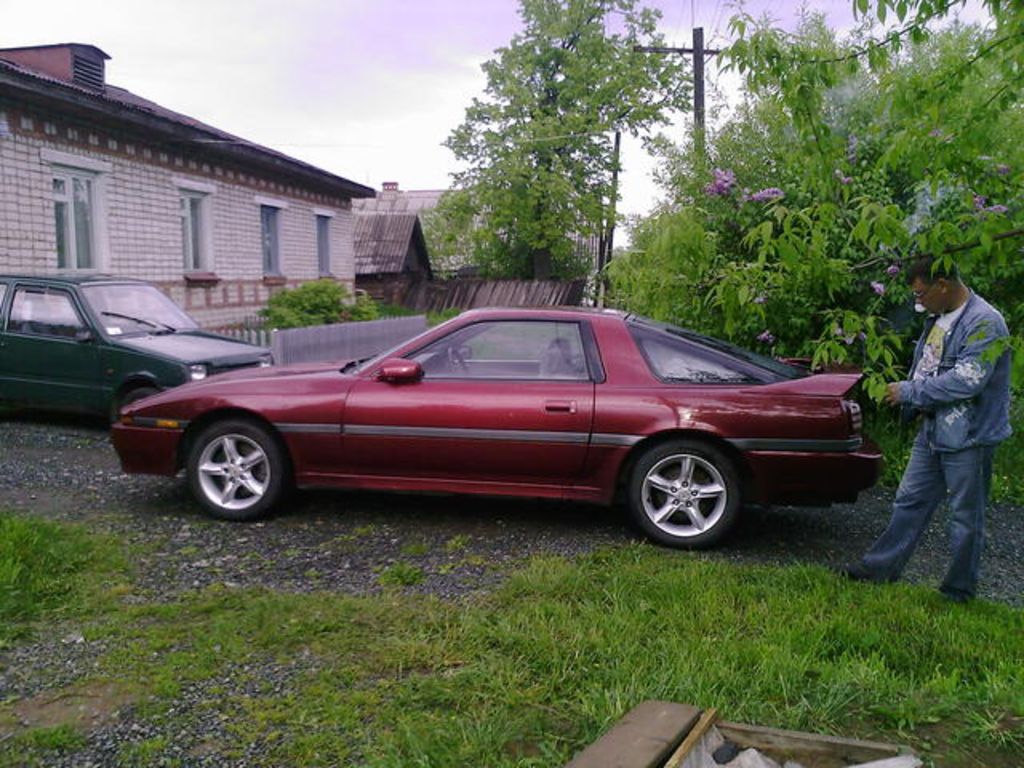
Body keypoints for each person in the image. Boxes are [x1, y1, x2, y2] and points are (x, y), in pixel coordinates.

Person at [843, 255, 1012, 602]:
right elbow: (929, 364)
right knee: (909, 501)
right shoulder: (939, 316)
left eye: (921, 294)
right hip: (934, 429)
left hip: (970, 436)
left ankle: (958, 591)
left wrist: (909, 392)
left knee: (965, 517)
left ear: (943, 286)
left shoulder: (984, 323)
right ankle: (879, 570)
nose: (917, 302)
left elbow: (967, 381)